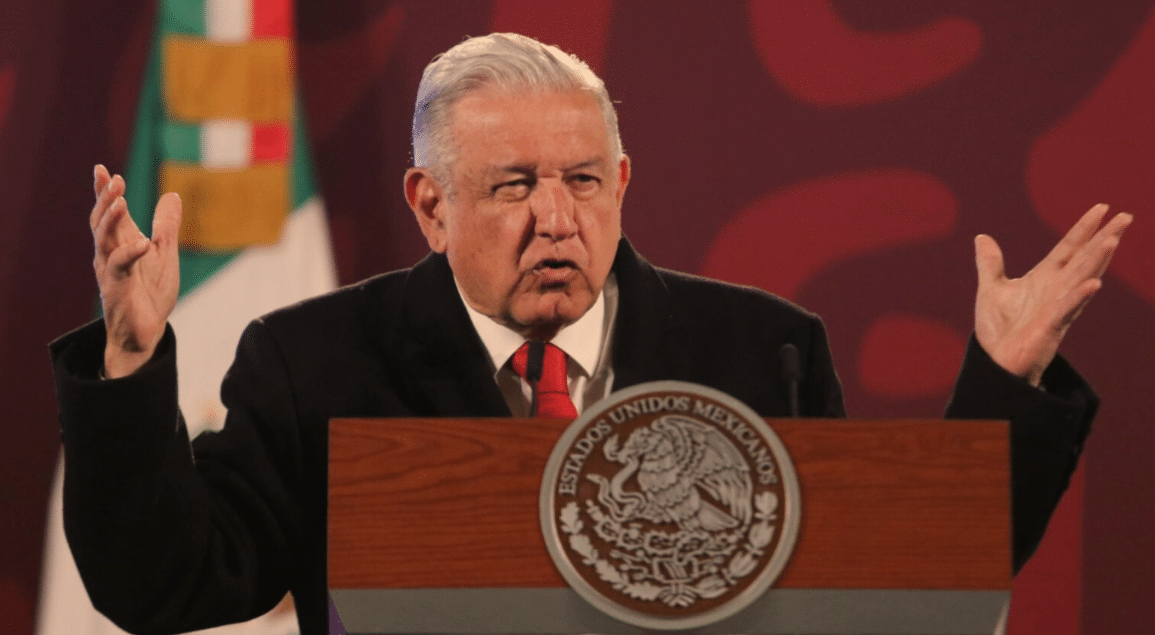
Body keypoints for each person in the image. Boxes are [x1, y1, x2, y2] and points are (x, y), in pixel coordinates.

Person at [52, 33, 1130, 635]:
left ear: (621, 183)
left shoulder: (763, 348)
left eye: (581, 181)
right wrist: (134, 361)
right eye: (514, 185)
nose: (556, 217)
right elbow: (167, 580)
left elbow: (886, 584)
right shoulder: (314, 359)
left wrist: (1006, 378)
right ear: (430, 204)